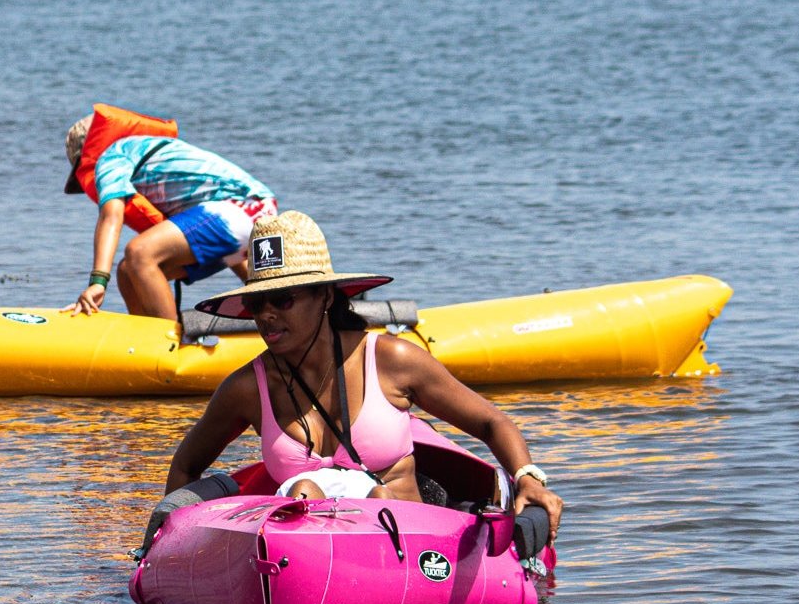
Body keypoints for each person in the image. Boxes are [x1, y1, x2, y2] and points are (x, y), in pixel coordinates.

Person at [163, 210, 562, 539]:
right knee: (304, 490)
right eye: (256, 303)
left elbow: (491, 422)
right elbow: (186, 465)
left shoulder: (393, 359)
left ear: (325, 296)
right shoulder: (246, 388)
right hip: (304, 558)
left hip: (410, 548)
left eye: (283, 300)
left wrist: (527, 478)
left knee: (378, 494)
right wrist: (174, 547)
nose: (267, 315)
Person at [62, 103, 277, 324]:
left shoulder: (111, 156)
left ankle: (169, 343)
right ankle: (142, 343)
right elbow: (233, 242)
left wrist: (98, 282)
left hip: (241, 210)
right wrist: (260, 292)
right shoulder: (145, 151)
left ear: (87, 157)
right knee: (127, 272)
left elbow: (111, 216)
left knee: (139, 253)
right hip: (256, 218)